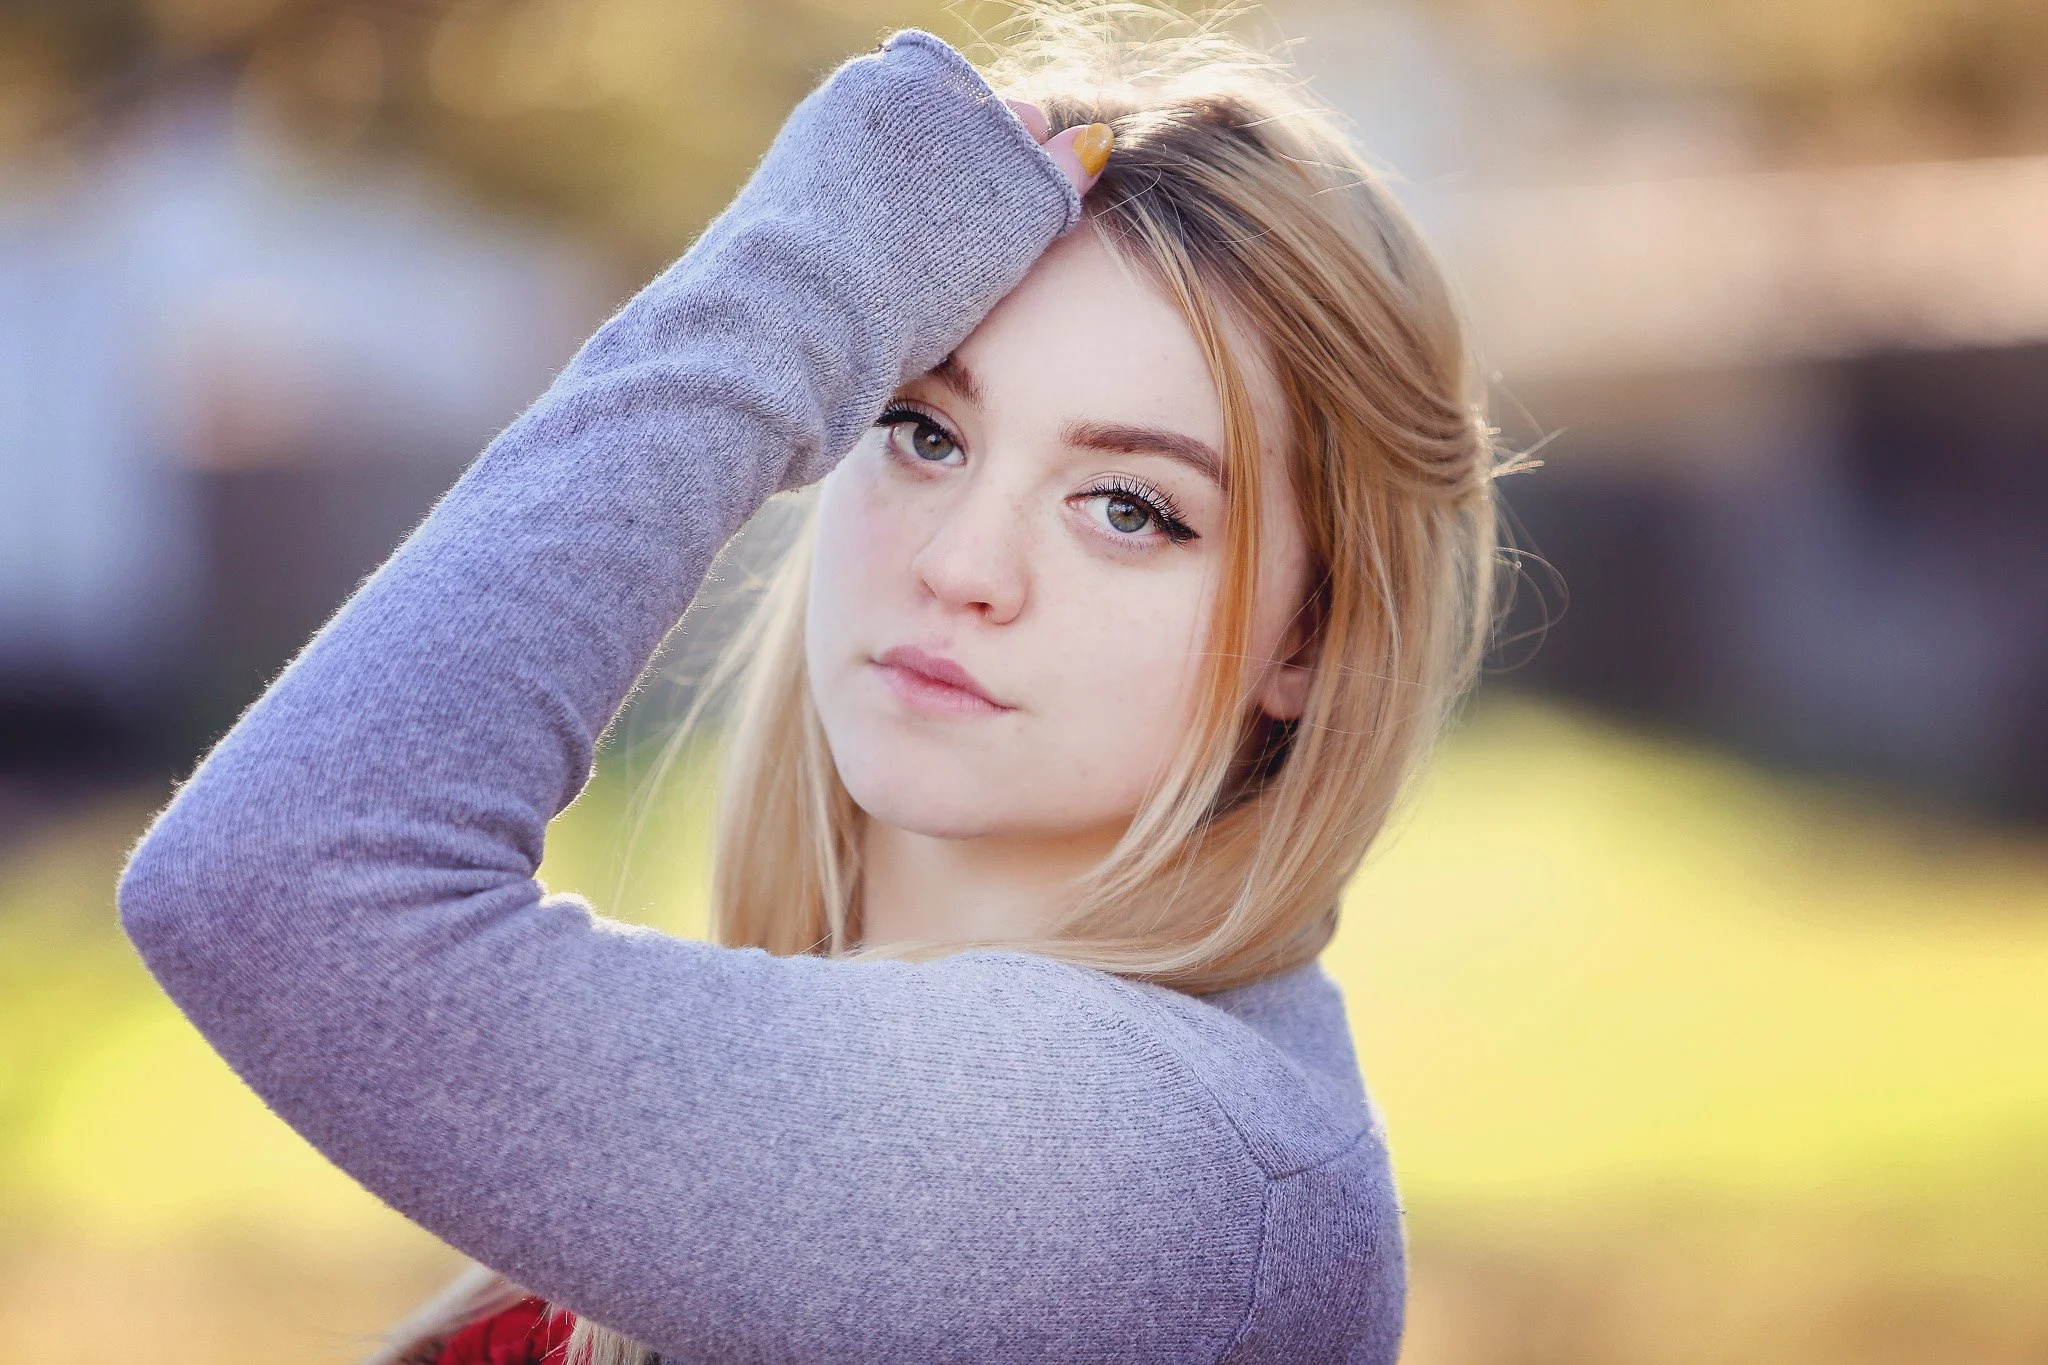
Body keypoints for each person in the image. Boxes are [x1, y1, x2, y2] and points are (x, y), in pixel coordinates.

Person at [117, 4, 1510, 1361]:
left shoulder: (1177, 1172)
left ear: (1309, 642)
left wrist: (798, 281)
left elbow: (279, 885)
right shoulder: (862, 1079)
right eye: (921, 427)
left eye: (1130, 507)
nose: (966, 564)